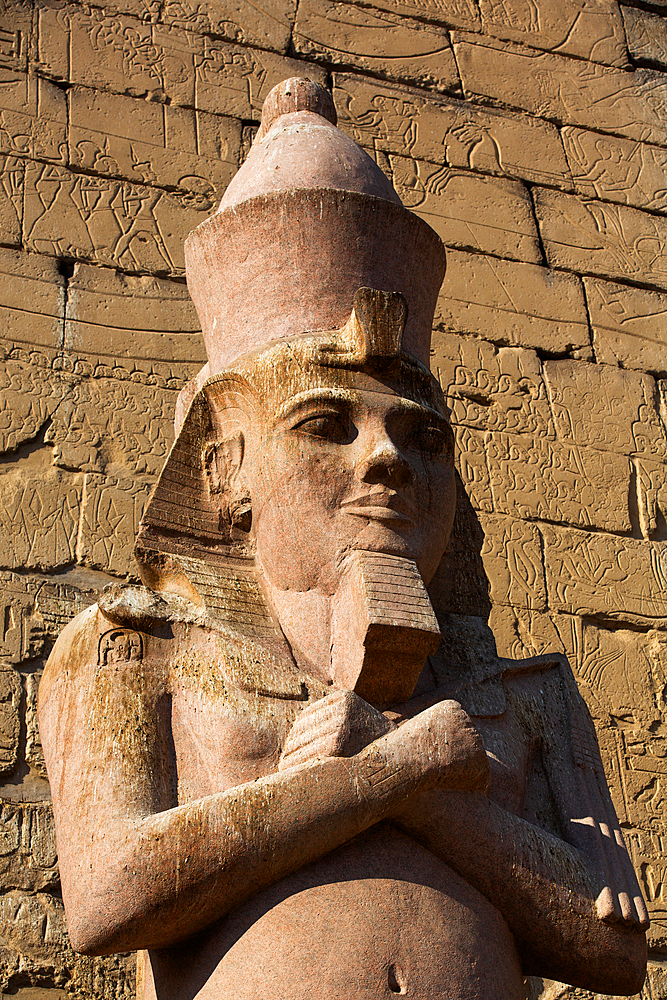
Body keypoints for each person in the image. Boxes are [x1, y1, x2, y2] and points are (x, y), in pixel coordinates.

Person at [38, 79, 648, 1000]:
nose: (388, 460)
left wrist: (422, 789)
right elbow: (109, 894)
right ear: (222, 470)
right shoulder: (132, 649)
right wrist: (396, 768)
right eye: (327, 425)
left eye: (423, 436)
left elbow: (614, 950)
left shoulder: (530, 698)